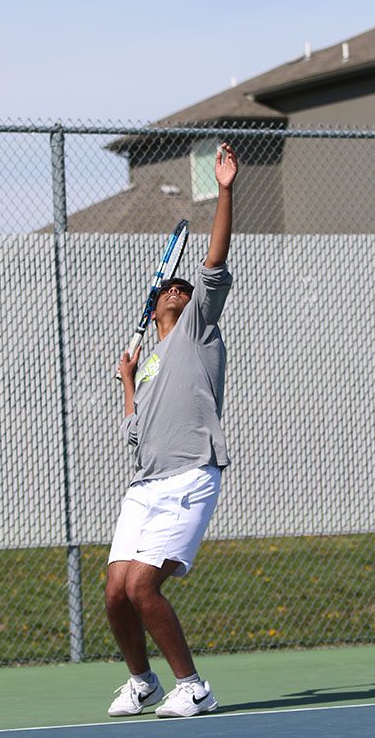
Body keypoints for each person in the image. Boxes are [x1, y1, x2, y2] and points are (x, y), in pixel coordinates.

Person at [105, 142, 238, 719]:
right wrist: (129, 382)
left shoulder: (198, 331)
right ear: (156, 303)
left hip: (189, 477)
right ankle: (143, 682)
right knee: (114, 592)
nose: (179, 290)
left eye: (185, 289)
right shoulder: (152, 358)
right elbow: (135, 434)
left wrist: (225, 189)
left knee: (143, 588)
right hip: (145, 483)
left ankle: (194, 686)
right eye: (170, 288)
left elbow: (214, 256)